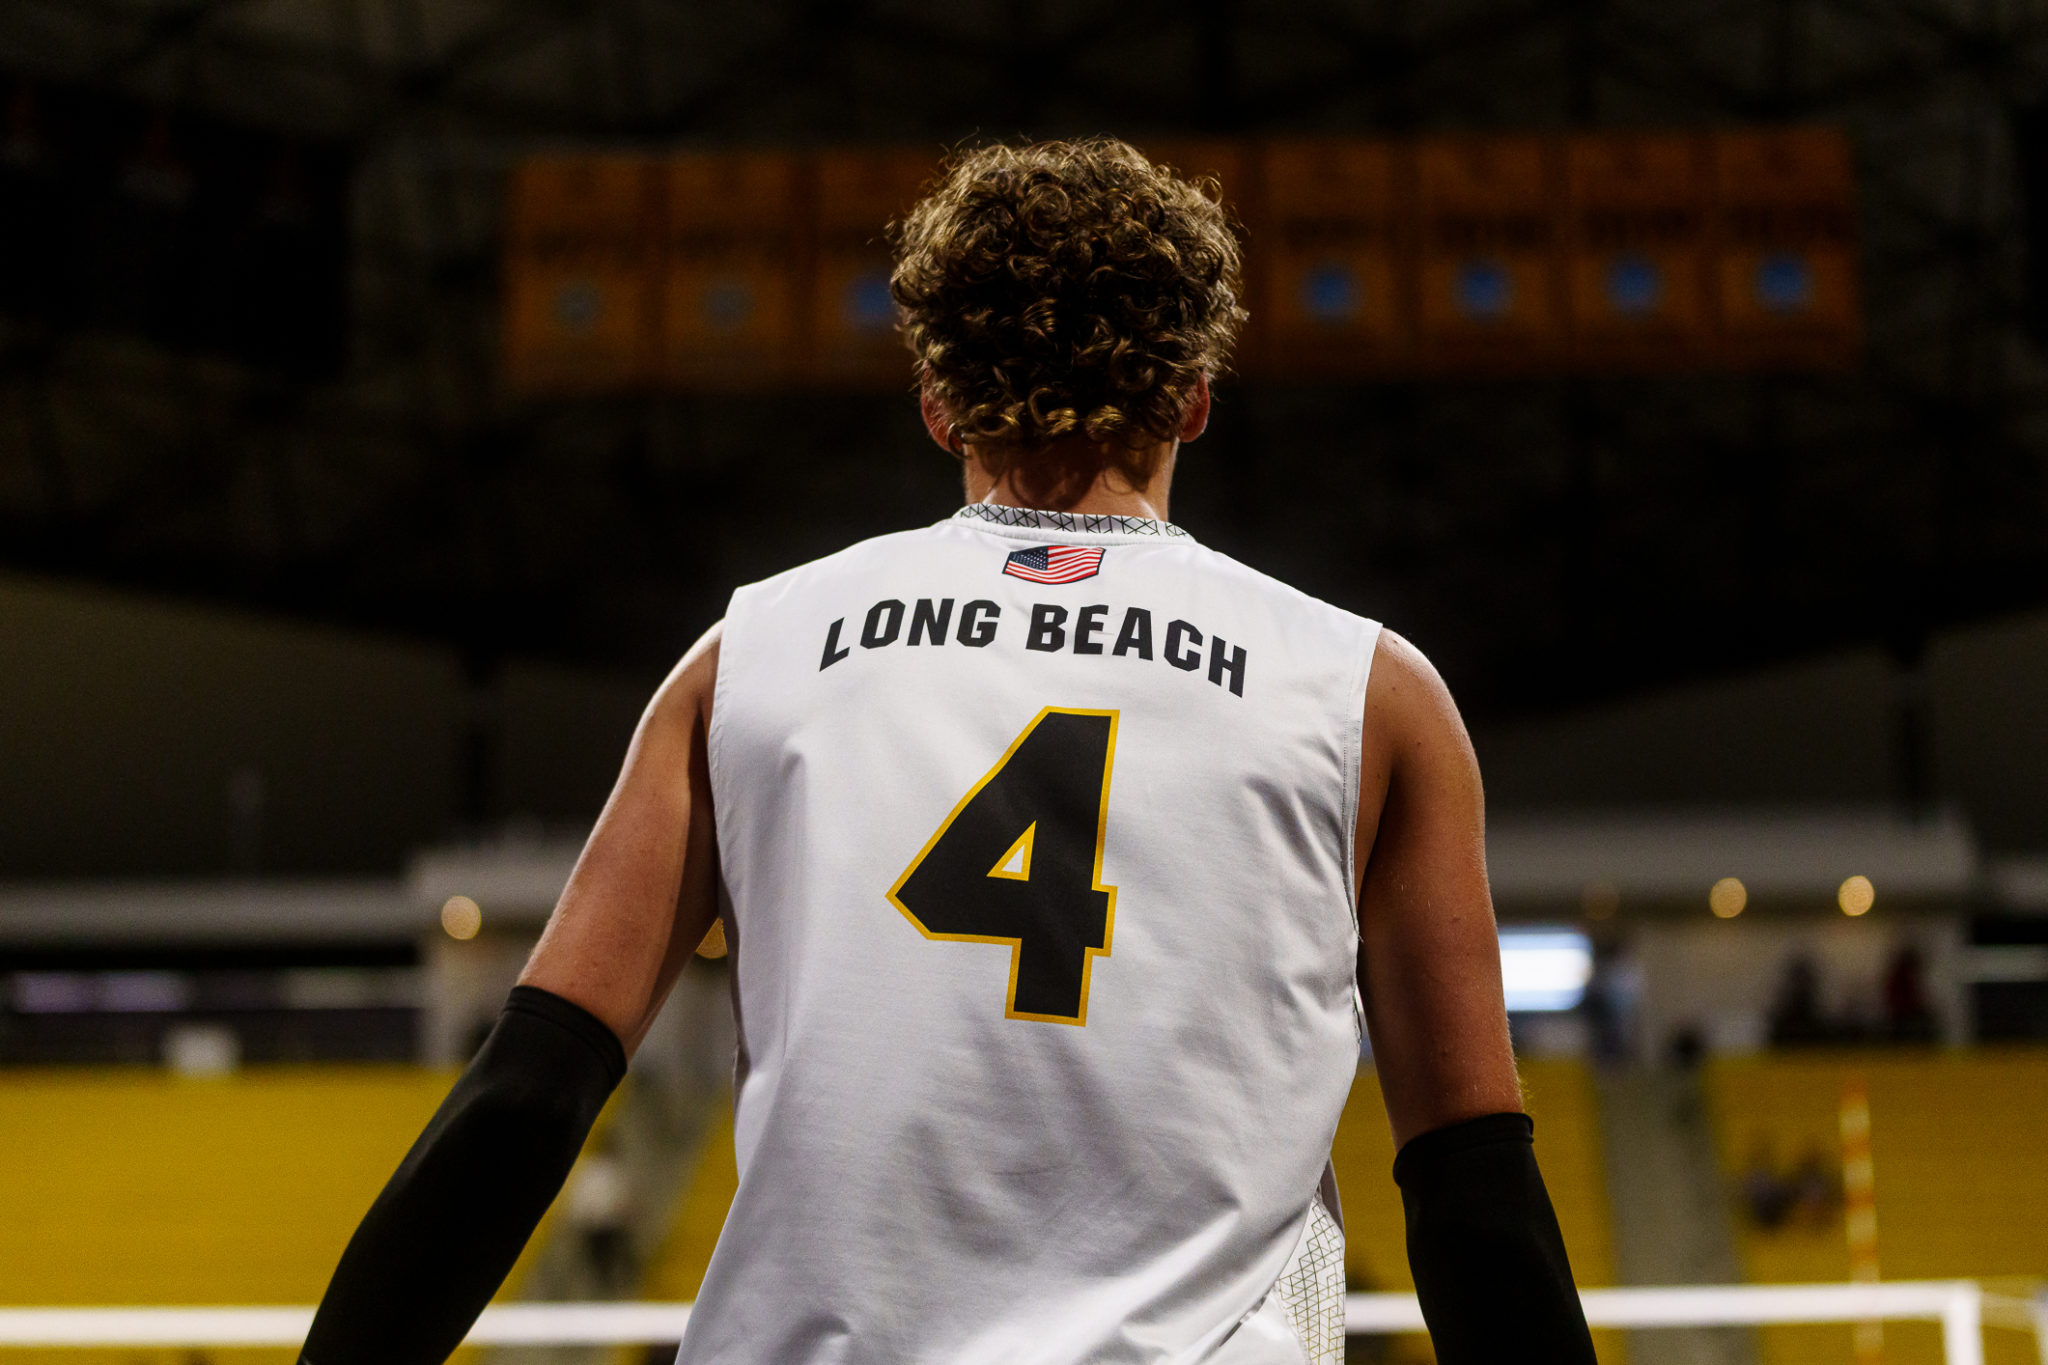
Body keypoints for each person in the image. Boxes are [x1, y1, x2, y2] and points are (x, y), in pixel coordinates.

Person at [298, 138, 1594, 1365]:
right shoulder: (1367, 691)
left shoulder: (750, 655)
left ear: (937, 404)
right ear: (1195, 401)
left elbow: (528, 1096)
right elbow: (1473, 1189)